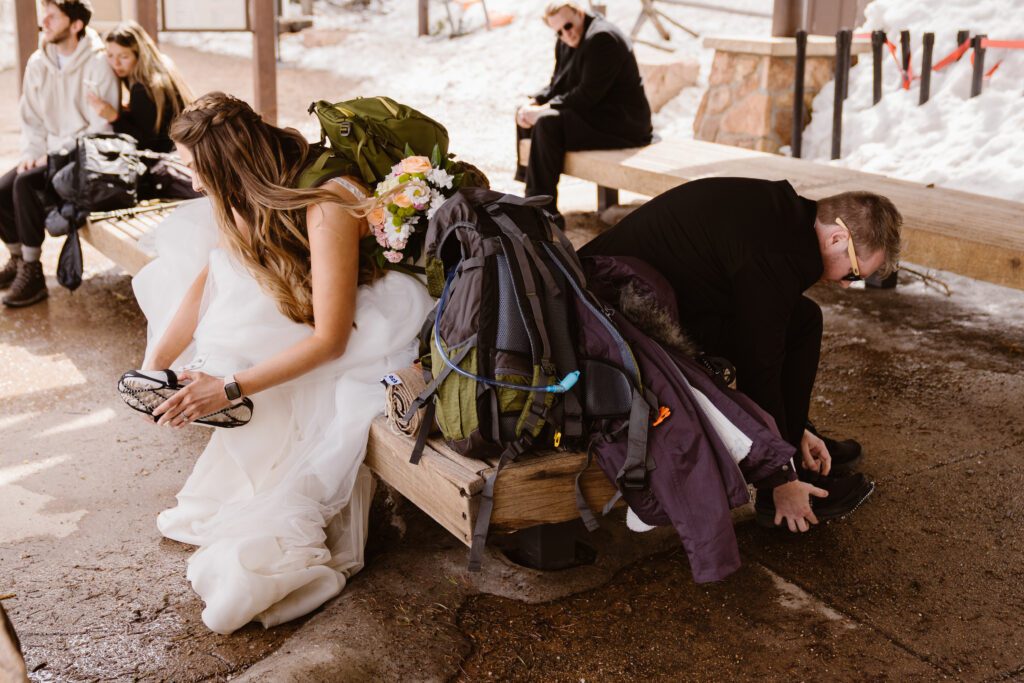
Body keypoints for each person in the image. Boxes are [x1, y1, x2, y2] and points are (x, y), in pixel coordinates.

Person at [131, 92, 433, 634]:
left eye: (198, 170)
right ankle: (218, 386)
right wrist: (154, 364)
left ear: (230, 165)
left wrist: (229, 389)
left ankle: (233, 395)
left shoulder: (328, 204)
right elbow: (213, 275)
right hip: (309, 304)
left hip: (368, 326)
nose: (195, 183)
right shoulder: (247, 197)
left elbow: (331, 341)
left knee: (269, 385)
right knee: (233, 296)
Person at [581, 177, 903, 531]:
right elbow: (760, 365)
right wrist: (780, 478)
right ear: (837, 238)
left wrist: (797, 429)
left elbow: (768, 335)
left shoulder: (784, 217)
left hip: (651, 298)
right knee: (781, 338)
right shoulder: (780, 254)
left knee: (803, 320)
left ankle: (793, 443)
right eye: (854, 273)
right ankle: (777, 486)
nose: (845, 284)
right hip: (613, 318)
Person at [0, 0, 119, 308]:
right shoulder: (38, 63)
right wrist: (34, 150)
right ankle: (16, 260)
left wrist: (56, 153)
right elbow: (31, 118)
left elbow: (100, 128)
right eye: (44, 15)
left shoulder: (98, 64)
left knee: (24, 183)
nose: (44, 22)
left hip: (83, 158)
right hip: (48, 152)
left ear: (75, 24)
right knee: (1, 189)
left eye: (52, 16)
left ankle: (33, 271)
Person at [515, 2, 652, 217]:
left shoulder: (602, 39)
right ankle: (531, 194)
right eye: (558, 32)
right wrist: (534, 102)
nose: (565, 34)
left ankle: (542, 212)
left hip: (621, 123)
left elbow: (587, 95)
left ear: (579, 13)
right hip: (592, 115)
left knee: (547, 122)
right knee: (525, 113)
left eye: (568, 26)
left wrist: (544, 110)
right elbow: (556, 85)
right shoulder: (566, 40)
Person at [86, 20, 193, 153]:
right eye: (110, 55)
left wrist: (114, 118)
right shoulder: (163, 67)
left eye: (124, 56)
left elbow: (145, 143)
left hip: (169, 160)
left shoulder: (143, 87)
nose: (116, 63)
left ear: (140, 55)